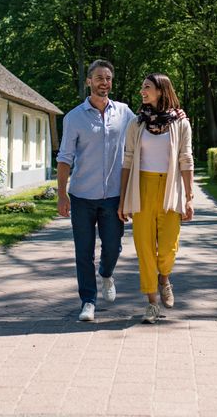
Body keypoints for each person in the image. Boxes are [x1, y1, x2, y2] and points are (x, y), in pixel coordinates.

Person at [56, 59, 136, 322]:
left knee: (113, 246)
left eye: (108, 78)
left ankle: (106, 274)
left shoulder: (125, 113)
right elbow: (65, 157)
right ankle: (88, 301)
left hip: (114, 196)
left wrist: (175, 115)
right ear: (89, 81)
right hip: (82, 196)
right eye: (99, 78)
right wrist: (61, 193)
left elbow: (146, 129)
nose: (104, 83)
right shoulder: (74, 118)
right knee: (83, 251)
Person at [118, 73, 194, 324]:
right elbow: (127, 160)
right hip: (142, 189)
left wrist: (189, 197)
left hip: (170, 188)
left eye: (147, 87)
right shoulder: (136, 124)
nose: (142, 91)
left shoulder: (180, 123)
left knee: (168, 248)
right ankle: (151, 303)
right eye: (142, 87)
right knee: (144, 248)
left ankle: (164, 278)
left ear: (161, 91)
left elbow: (186, 159)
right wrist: (123, 199)